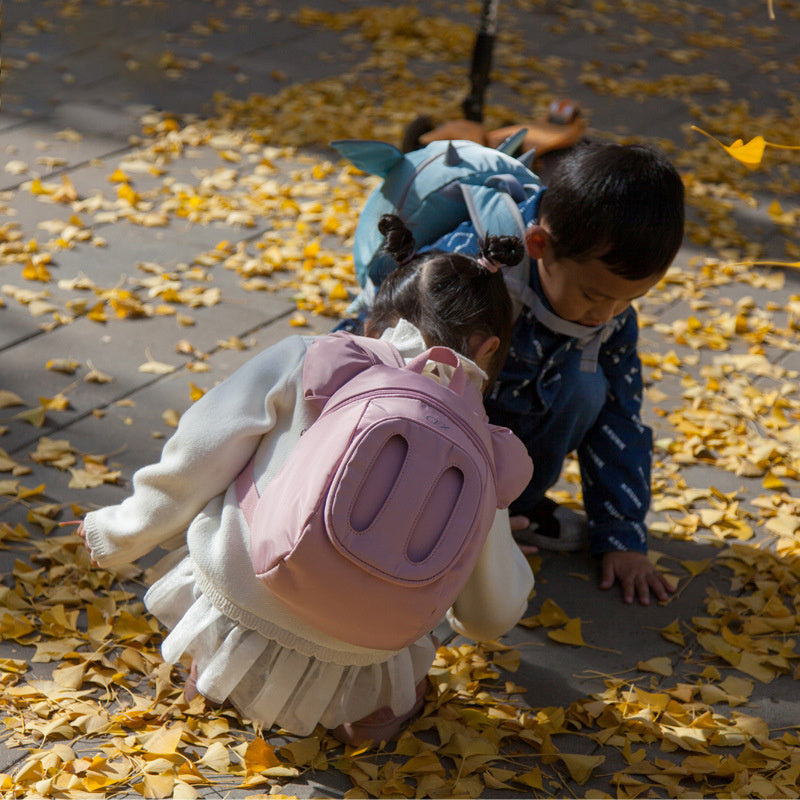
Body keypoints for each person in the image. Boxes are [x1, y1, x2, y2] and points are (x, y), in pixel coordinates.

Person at [77, 214, 534, 747]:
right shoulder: (484, 445)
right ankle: (375, 715)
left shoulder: (312, 358)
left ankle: (214, 674)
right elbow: (491, 611)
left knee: (239, 480)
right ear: (486, 351)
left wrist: (120, 533)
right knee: (395, 660)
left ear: (375, 322)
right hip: (370, 642)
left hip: (247, 592)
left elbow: (200, 450)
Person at [430, 140, 685, 606]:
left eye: (629, 300)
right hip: (434, 428)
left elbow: (620, 418)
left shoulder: (609, 315)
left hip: (512, 428)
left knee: (590, 387)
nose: (607, 314)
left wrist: (623, 535)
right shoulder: (470, 268)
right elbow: (403, 389)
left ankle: (514, 512)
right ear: (539, 245)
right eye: (592, 296)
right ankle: (454, 517)